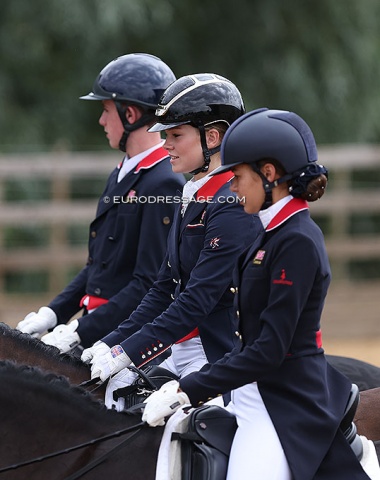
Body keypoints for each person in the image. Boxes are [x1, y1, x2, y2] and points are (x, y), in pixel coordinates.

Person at [141, 108, 372, 479]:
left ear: (268, 175)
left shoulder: (296, 241)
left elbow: (268, 350)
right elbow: (242, 339)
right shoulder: (267, 233)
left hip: (283, 402)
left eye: (237, 177)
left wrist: (188, 388)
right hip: (247, 393)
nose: (230, 187)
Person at [81, 73, 262, 410]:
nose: (166, 145)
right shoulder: (191, 194)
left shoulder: (232, 205)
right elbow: (163, 288)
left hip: (218, 356)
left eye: (176, 135)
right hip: (177, 351)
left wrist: (127, 351)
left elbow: (196, 301)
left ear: (212, 136)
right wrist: (110, 343)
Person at [16, 53, 185, 352]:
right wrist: (54, 312)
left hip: (126, 339)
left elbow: (148, 284)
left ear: (130, 115)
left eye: (107, 110)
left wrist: (81, 331)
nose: (101, 120)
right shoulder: (121, 173)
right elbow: (99, 267)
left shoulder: (165, 182)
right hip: (96, 327)